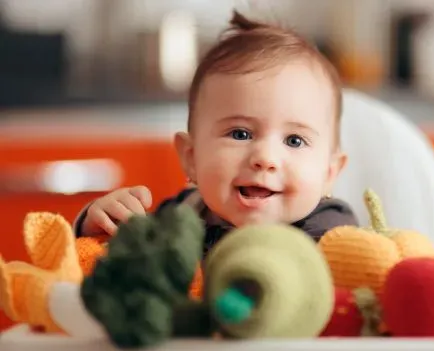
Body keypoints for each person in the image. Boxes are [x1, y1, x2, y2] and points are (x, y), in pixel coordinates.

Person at [74, 10, 358, 254]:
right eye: (240, 134)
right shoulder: (182, 215)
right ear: (191, 157)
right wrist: (99, 227)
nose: (265, 158)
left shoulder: (331, 234)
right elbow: (118, 271)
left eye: (294, 140)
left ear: (329, 173)